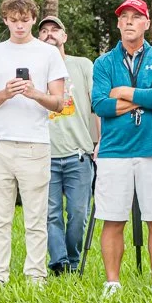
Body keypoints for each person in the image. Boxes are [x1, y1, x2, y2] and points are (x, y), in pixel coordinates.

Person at [0, 0, 69, 285]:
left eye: (25, 20)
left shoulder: (48, 54)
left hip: (35, 144)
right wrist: (6, 92)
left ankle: (35, 277)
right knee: (0, 217)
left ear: (33, 18)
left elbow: (60, 102)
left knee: (36, 218)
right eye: (13, 21)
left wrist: (34, 93)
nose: (19, 26)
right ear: (5, 20)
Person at [90, 0, 152, 296]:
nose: (129, 21)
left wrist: (126, 92)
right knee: (113, 219)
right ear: (117, 23)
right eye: (124, 17)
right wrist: (145, 97)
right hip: (115, 151)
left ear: (147, 23)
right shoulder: (104, 62)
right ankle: (112, 283)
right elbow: (100, 104)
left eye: (135, 16)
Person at [36, 14, 96, 273]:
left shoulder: (82, 65)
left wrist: (100, 142)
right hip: (44, 153)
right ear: (38, 38)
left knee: (78, 214)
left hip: (78, 153)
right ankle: (59, 263)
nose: (49, 34)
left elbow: (99, 106)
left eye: (55, 30)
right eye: (44, 31)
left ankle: (72, 260)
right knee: (50, 214)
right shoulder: (34, 68)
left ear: (64, 36)